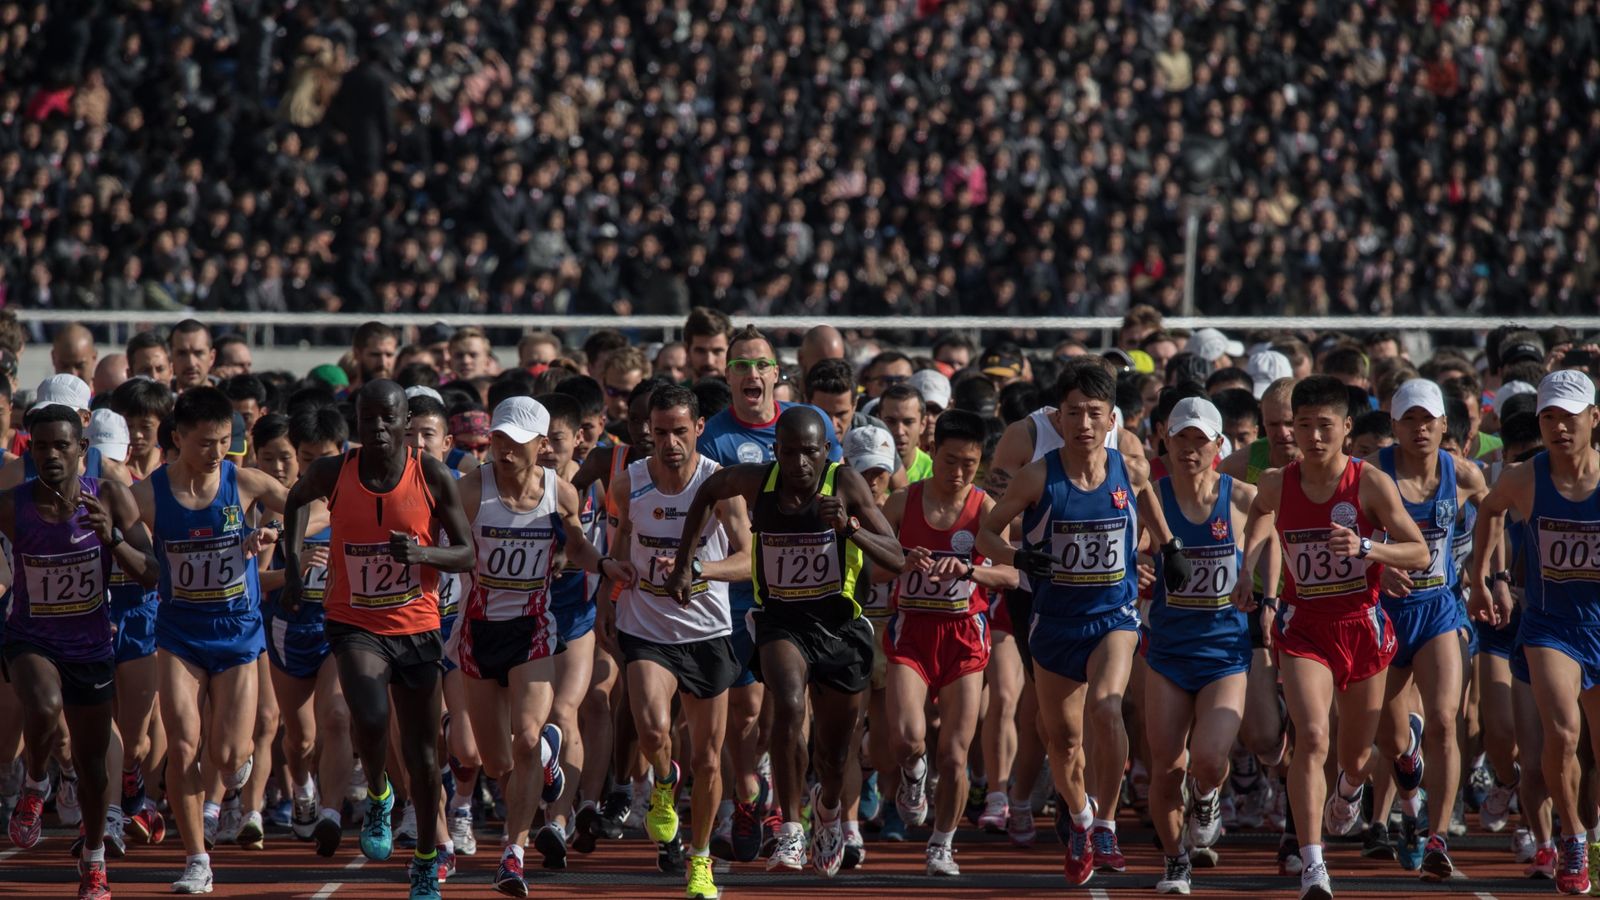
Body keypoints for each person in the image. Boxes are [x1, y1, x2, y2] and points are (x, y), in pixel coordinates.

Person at [976, 361, 1190, 886]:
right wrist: (1018, 557)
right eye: (1074, 413)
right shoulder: (1037, 475)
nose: (1085, 425)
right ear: (1059, 416)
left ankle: (1108, 823)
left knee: (1107, 705)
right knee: (1063, 740)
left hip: (1112, 616)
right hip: (1055, 621)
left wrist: (1171, 548)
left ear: (1111, 418)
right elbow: (985, 534)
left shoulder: (1127, 467)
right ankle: (1078, 816)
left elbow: (1149, 502)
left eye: (1095, 414)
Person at [672, 406, 904, 875]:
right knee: (790, 704)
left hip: (840, 627)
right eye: (790, 451)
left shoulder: (845, 485)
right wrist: (683, 561)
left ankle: (829, 809)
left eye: (810, 452)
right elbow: (706, 492)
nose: (800, 462)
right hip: (782, 622)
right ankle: (790, 831)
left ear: (826, 453)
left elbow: (897, 557)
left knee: (835, 756)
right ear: (776, 451)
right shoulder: (758, 481)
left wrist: (849, 529)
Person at [1231, 375, 1431, 900]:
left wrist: (1368, 548)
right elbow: (1258, 516)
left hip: (1361, 626)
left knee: (1356, 756)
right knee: (1312, 736)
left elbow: (1419, 552)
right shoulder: (1278, 482)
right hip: (1305, 630)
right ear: (1292, 428)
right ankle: (1312, 863)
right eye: (1304, 426)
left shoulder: (1369, 483)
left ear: (1346, 428)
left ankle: (1347, 793)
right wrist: (1248, 563)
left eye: (1325, 426)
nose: (1314, 436)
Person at [280, 380, 476, 900]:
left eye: (390, 419)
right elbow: (295, 501)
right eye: (370, 420)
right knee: (368, 716)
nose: (380, 428)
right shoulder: (334, 471)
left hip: (416, 627)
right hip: (354, 621)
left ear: (407, 419)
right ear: (358, 421)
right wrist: (295, 567)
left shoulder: (431, 474)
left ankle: (426, 861)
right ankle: (378, 793)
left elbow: (466, 553)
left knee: (424, 754)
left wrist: (423, 556)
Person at [130, 386, 287, 894]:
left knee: (226, 754)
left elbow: (319, 508)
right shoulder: (149, 495)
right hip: (179, 633)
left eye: (224, 442)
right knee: (182, 744)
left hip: (238, 633)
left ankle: (236, 768)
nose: (216, 453)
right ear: (177, 439)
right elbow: (115, 541)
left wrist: (276, 531)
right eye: (205, 443)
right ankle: (197, 858)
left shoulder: (243, 482)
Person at [695, 327, 842, 864]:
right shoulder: (713, 436)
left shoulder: (809, 424)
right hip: (739, 597)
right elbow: (718, 512)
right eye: (740, 366)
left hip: (801, 601)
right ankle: (749, 793)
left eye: (761, 364)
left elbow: (838, 485)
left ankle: (783, 804)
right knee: (748, 710)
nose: (751, 374)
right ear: (727, 375)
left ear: (777, 373)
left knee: (789, 706)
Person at [1, 405, 159, 900]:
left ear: (81, 451)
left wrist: (111, 537)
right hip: (30, 636)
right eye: (41, 446)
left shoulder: (110, 496)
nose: (50, 455)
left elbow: (151, 572)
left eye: (61, 446)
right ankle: (34, 784)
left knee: (93, 767)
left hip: (90, 644)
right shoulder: (11, 504)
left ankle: (94, 860)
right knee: (44, 705)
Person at [603, 385, 752, 900]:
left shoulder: (720, 485)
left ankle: (702, 857)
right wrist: (613, 578)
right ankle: (664, 781)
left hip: (706, 631)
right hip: (646, 626)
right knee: (650, 728)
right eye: (660, 432)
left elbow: (748, 558)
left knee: (710, 759)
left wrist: (698, 568)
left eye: (679, 432)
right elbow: (621, 542)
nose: (669, 442)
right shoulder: (630, 483)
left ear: (699, 428)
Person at [455, 396, 605, 897]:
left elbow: (577, 544)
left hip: (532, 630)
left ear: (542, 446)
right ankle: (549, 754)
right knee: (495, 761)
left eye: (516, 442)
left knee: (524, 739)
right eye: (498, 439)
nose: (503, 449)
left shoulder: (560, 494)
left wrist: (601, 565)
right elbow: (447, 544)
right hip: (478, 632)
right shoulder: (472, 490)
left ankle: (513, 855)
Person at [1470, 369, 1600, 896]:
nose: (1558, 426)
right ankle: (1570, 835)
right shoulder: (1524, 477)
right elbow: (1489, 511)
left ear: (1594, 418)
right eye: (1549, 416)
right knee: (1563, 733)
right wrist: (1482, 579)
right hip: (1551, 626)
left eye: (1569, 416)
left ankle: (1593, 831)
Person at [877, 410, 1018, 876]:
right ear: (932, 452)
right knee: (907, 739)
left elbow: (1013, 572)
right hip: (912, 633)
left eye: (970, 464)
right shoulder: (903, 502)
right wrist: (901, 561)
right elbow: (869, 566)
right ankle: (914, 777)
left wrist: (971, 570)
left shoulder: (985, 509)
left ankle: (942, 843)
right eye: (950, 460)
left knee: (955, 754)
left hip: (964, 639)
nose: (958, 473)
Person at [1146, 398, 1271, 894]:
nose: (1190, 449)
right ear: (1167, 442)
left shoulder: (1241, 496)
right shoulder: (1152, 497)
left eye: (1201, 440)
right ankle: (1176, 860)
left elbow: (1271, 531)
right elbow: (1130, 546)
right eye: (1182, 438)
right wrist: (1137, 566)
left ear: (1220, 446)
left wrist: (1258, 583)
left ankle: (1207, 796)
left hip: (1224, 653)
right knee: (1165, 765)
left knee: (1209, 759)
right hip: (1169, 653)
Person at [1366, 378, 1488, 878]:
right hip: (1384, 614)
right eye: (1409, 419)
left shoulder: (1461, 473)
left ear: (1443, 425)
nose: (1420, 428)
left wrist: (1487, 576)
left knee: (1444, 719)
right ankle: (1408, 765)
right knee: (1389, 738)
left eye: (1428, 419)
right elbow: (1345, 529)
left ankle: (1437, 837)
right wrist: (1378, 565)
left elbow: (1494, 510)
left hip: (1438, 608)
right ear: (1394, 425)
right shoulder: (1372, 472)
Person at [257, 409, 352, 857]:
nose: (316, 467)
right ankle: (302, 785)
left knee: (336, 717)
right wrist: (292, 571)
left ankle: (331, 813)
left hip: (339, 625)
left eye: (325, 458)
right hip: (288, 626)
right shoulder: (275, 505)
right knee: (299, 736)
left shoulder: (357, 497)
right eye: (307, 457)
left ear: (344, 454)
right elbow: (253, 581)